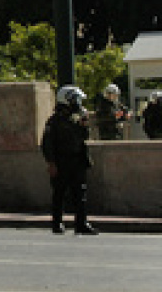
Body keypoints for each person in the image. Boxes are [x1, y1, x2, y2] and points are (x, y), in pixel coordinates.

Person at [41, 86, 99, 235]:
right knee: (59, 193)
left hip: (77, 160)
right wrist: (51, 162)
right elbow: (47, 143)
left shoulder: (78, 117)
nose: (77, 103)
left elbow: (84, 137)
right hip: (61, 160)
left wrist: (84, 125)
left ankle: (81, 223)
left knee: (80, 193)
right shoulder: (54, 121)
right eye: (75, 99)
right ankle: (57, 223)